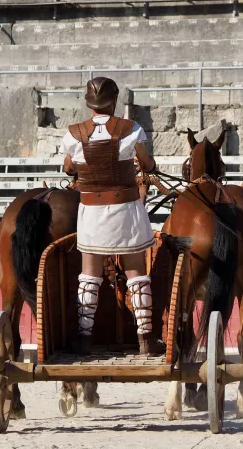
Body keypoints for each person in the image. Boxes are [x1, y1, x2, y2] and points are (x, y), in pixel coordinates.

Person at [60, 76, 165, 356]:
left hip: (92, 212)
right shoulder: (131, 129)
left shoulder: (74, 134)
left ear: (89, 103)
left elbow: (69, 168)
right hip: (126, 209)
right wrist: (146, 164)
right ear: (114, 101)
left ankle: (84, 338)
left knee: (89, 275)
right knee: (136, 274)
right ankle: (146, 338)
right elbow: (147, 164)